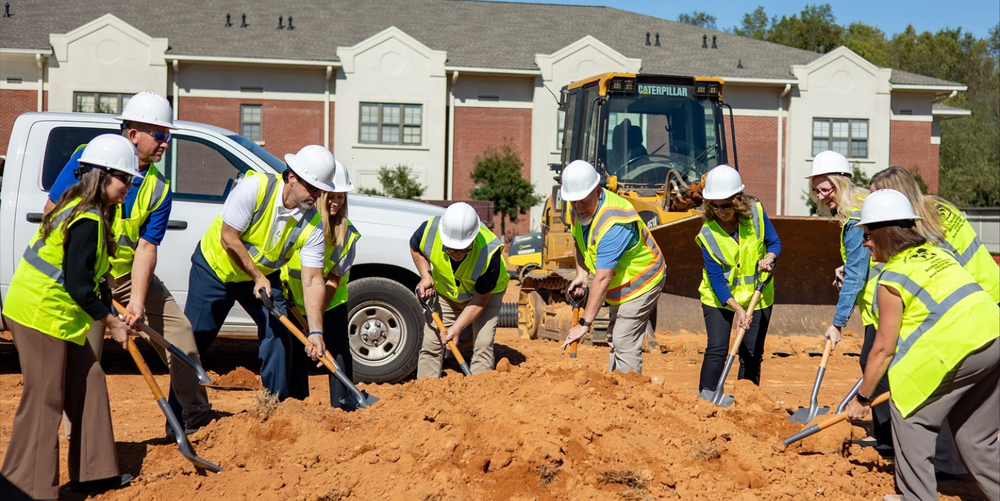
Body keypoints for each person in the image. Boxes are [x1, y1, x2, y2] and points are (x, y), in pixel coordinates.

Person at [45, 91, 212, 438]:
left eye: (169, 136)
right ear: (133, 134)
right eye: (160, 135)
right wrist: (83, 277)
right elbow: (53, 212)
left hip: (124, 277)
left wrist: (136, 300)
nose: (166, 143)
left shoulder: (159, 189)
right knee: (84, 359)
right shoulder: (87, 158)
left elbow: (146, 248)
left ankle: (196, 417)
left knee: (181, 336)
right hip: (85, 277)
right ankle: (78, 437)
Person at [2, 135, 142, 498]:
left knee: (89, 381)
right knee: (45, 397)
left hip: (59, 314)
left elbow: (90, 278)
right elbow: (79, 287)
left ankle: (95, 473)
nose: (129, 187)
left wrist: (111, 307)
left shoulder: (90, 211)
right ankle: (23, 488)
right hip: (39, 315)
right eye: (125, 179)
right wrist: (111, 323)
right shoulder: (87, 219)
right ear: (103, 175)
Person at [846, 189, 999, 501]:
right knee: (975, 437)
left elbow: (883, 348)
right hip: (993, 337)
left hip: (960, 348)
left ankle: (916, 497)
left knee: (909, 415)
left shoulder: (893, 277)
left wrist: (862, 397)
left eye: (868, 236)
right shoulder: (940, 255)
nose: (865, 244)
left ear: (885, 233)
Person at [185, 145, 336, 400]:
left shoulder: (314, 225)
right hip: (215, 270)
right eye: (312, 188)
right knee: (193, 343)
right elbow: (228, 238)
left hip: (262, 277)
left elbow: (312, 280)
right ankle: (182, 416)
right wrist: (256, 277)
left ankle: (276, 408)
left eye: (320, 190)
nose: (316, 195)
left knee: (279, 335)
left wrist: (316, 331)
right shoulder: (255, 188)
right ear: (292, 177)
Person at [806, 150, 890, 450]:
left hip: (884, 301)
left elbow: (857, 273)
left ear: (840, 182)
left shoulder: (856, 216)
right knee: (873, 359)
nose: (820, 195)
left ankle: (888, 435)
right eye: (816, 190)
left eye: (825, 188)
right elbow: (864, 259)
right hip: (881, 298)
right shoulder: (863, 204)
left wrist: (838, 323)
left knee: (874, 360)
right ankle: (886, 432)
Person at [559, 160, 666, 373]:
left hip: (642, 280)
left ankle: (630, 397)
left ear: (598, 192)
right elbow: (578, 238)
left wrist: (584, 324)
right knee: (614, 336)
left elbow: (603, 278)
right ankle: (614, 388)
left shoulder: (614, 222)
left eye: (583, 201)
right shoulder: (577, 209)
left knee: (624, 339)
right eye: (573, 202)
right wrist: (581, 273)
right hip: (620, 282)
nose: (578, 207)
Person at [281, 160, 361, 408]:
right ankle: (296, 405)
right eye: (330, 196)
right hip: (291, 301)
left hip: (330, 302)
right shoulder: (298, 224)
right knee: (292, 353)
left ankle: (344, 402)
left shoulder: (347, 235)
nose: (336, 202)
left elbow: (333, 279)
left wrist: (316, 319)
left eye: (341, 197)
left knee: (337, 351)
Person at [695, 165, 781, 392]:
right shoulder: (707, 234)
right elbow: (716, 281)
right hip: (719, 298)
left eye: (726, 205)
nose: (720, 210)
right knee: (717, 348)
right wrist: (738, 310)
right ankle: (706, 399)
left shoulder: (756, 214)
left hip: (758, 294)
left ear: (738, 199)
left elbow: (774, 242)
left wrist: (769, 257)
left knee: (751, 353)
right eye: (714, 205)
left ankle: (748, 401)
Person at [870, 166, 999, 304]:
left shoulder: (921, 228)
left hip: (978, 295)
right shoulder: (939, 206)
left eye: (876, 197)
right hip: (992, 283)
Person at [412, 202, 509, 378]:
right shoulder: (429, 231)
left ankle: (479, 392)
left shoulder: (489, 252)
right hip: (447, 291)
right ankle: (426, 394)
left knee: (483, 342)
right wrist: (426, 277)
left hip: (486, 295)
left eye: (463, 248)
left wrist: (456, 328)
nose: (457, 253)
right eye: (452, 248)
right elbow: (415, 247)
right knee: (432, 343)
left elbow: (480, 299)